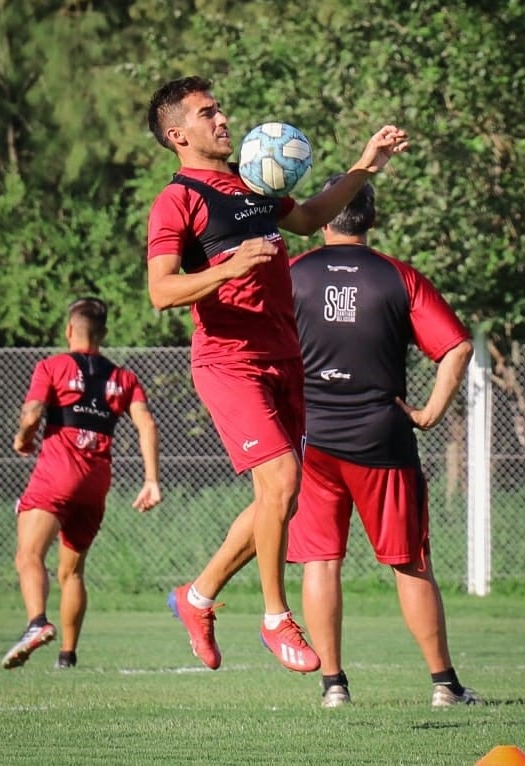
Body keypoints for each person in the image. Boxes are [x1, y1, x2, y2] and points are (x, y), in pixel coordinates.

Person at [146, 75, 408, 674]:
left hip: (285, 359)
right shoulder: (178, 199)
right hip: (229, 359)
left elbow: (314, 214)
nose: (222, 119)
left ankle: (198, 595)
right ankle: (274, 617)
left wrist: (366, 164)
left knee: (278, 500)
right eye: (208, 113)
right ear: (177, 133)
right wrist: (229, 266)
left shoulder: (252, 180)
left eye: (221, 109)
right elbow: (161, 291)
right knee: (285, 481)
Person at [287, 177, 483, 707]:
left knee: (320, 562)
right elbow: (457, 348)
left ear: (323, 218)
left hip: (312, 442)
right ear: (371, 222)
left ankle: (334, 688)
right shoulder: (398, 277)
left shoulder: (291, 274)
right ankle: (444, 686)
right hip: (383, 440)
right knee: (409, 562)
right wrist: (428, 414)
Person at [2, 297, 161, 670]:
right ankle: (67, 657)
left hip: (57, 476)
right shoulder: (124, 378)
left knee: (28, 556)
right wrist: (151, 479)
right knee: (71, 571)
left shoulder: (52, 366)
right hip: (95, 484)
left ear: (69, 330)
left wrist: (24, 438)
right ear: (103, 334)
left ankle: (37, 623)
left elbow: (34, 412)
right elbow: (147, 425)